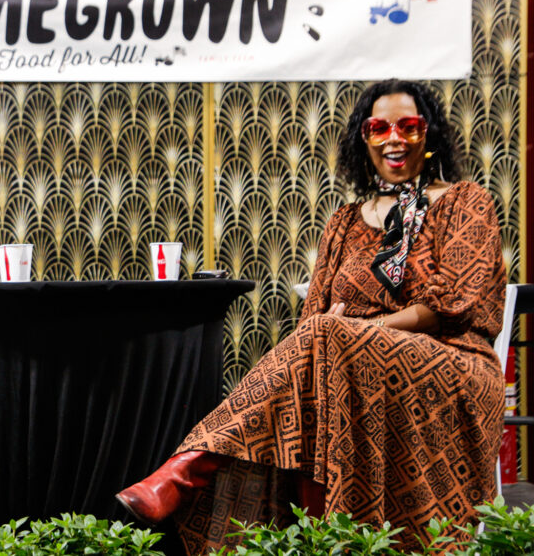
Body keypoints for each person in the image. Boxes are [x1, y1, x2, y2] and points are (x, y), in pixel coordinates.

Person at [116, 79, 506, 553]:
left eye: (409, 125)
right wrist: (340, 334)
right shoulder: (343, 222)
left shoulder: (466, 201)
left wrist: (359, 330)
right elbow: (312, 319)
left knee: (330, 344)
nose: (394, 138)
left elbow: (453, 303)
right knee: (321, 357)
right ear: (363, 139)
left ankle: (186, 470)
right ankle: (313, 533)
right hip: (345, 369)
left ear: (430, 134)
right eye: (379, 127)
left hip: (452, 365)